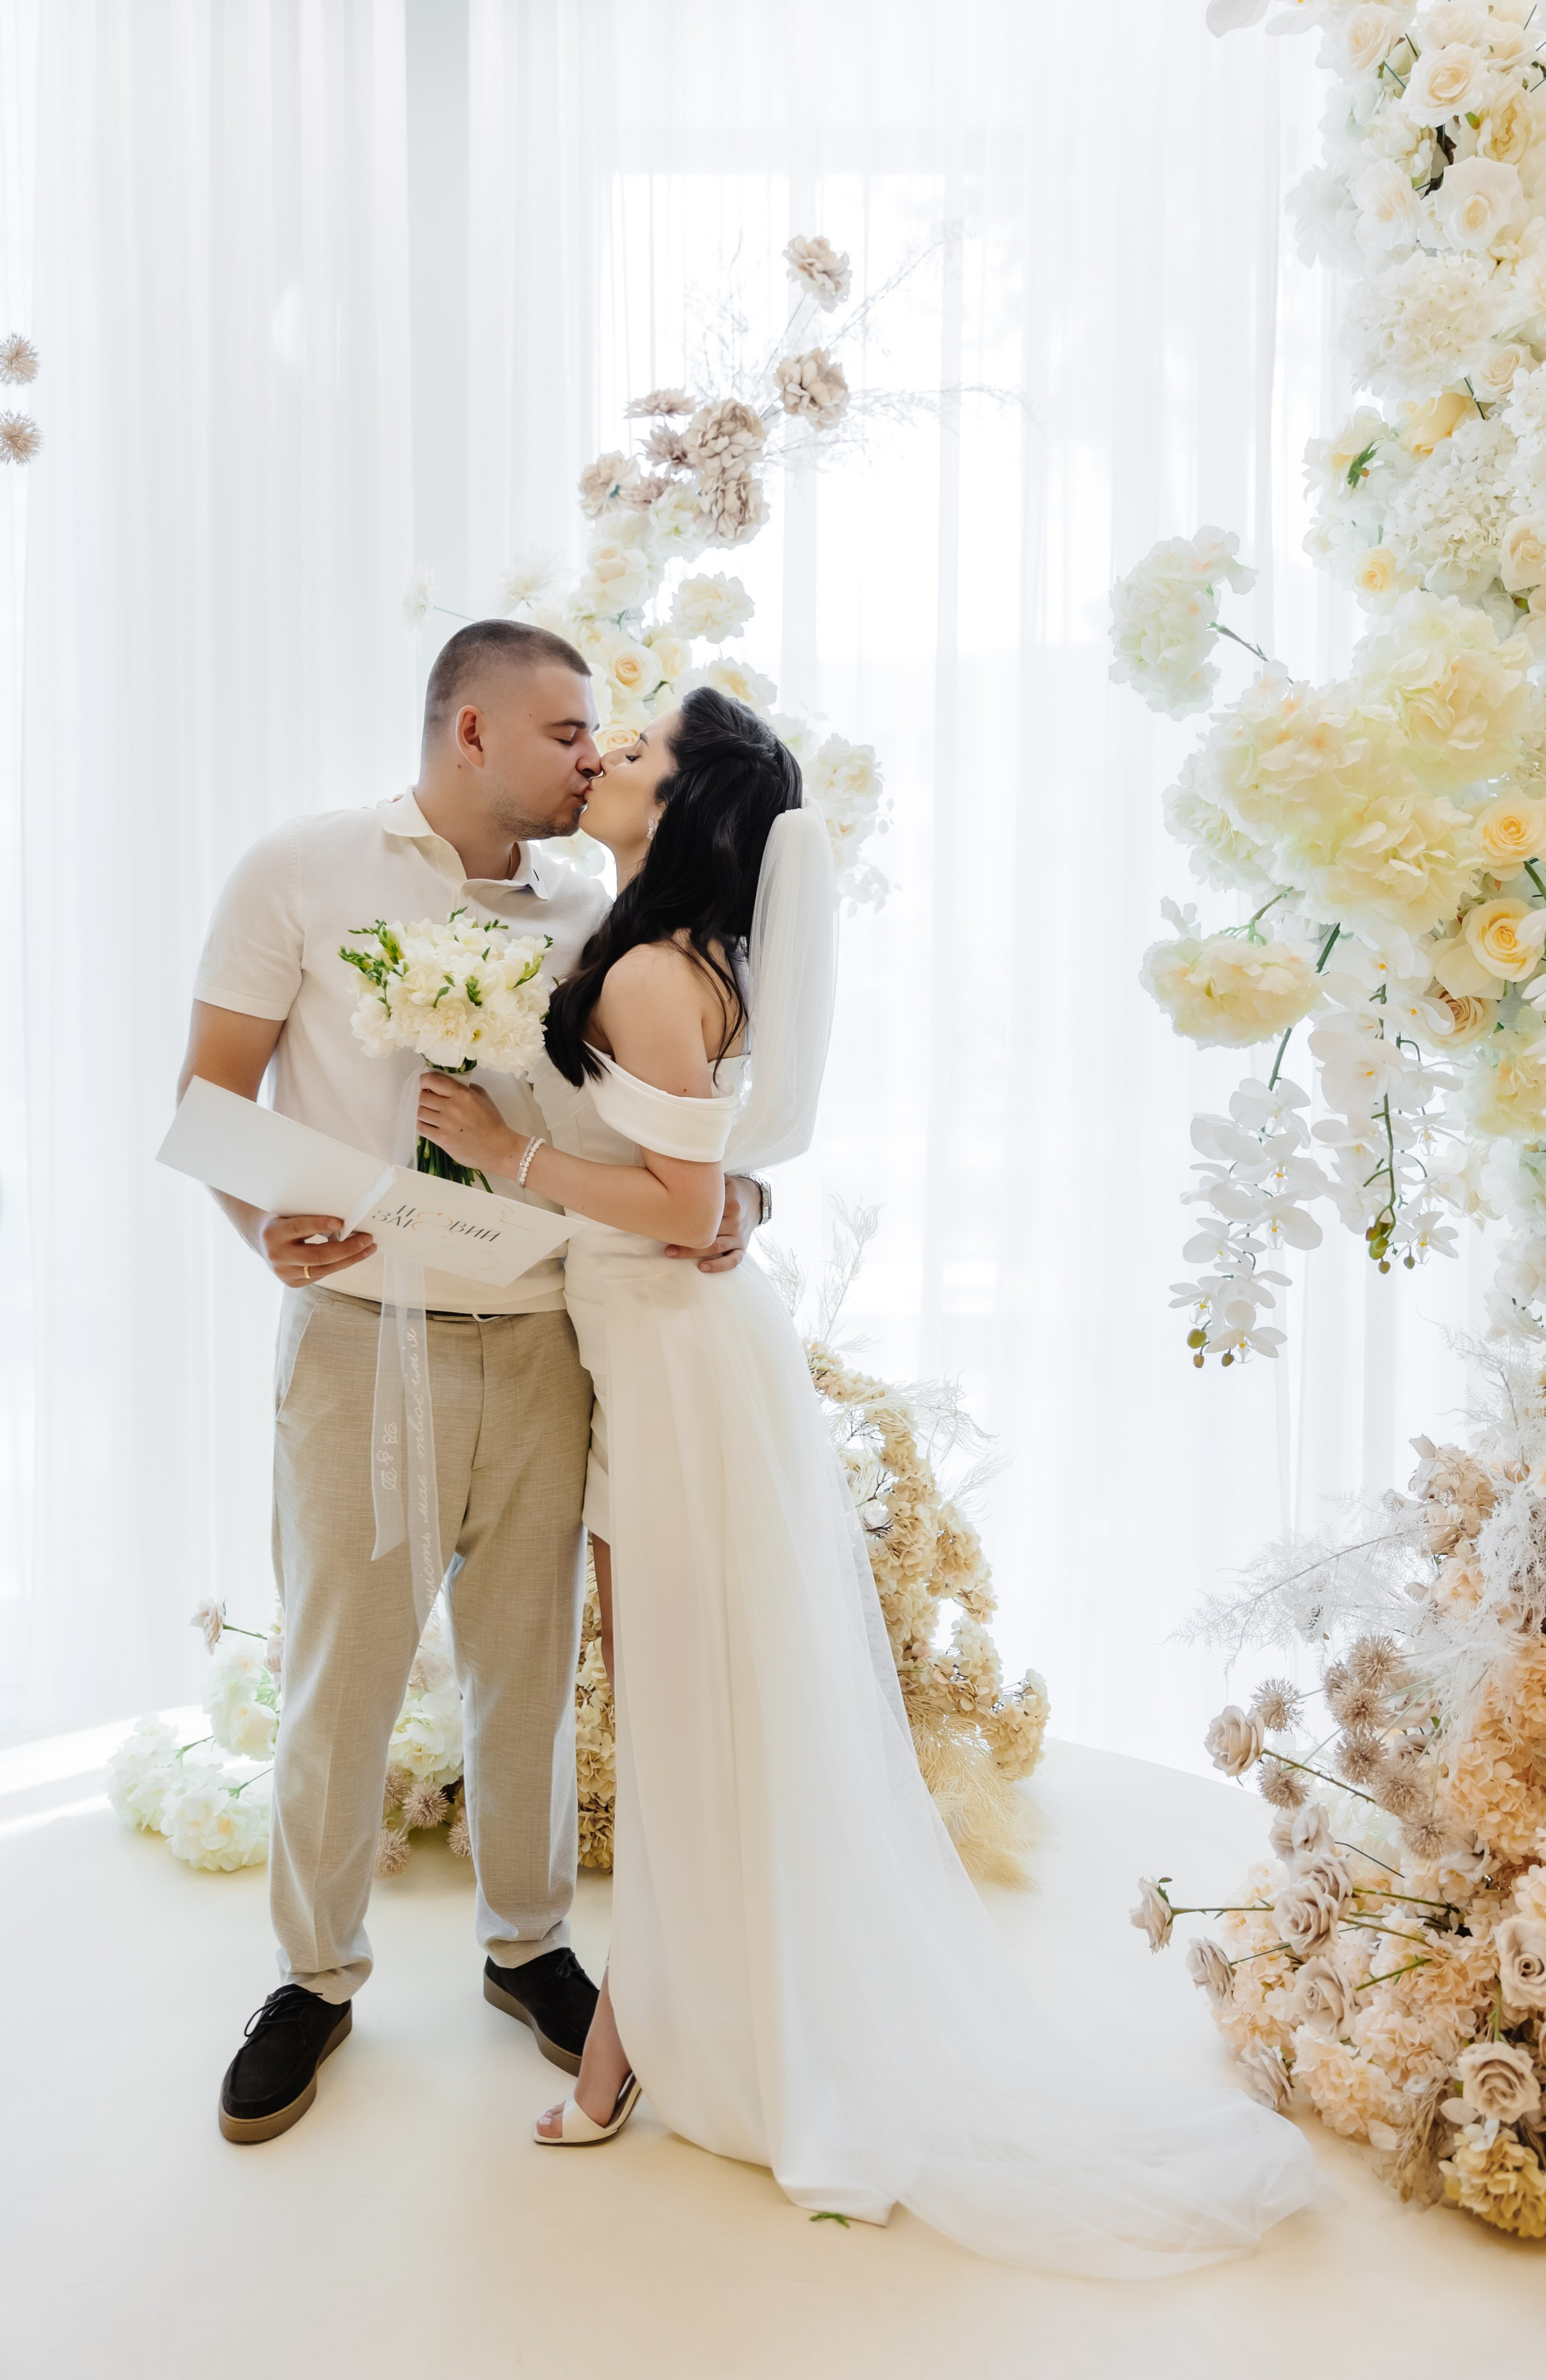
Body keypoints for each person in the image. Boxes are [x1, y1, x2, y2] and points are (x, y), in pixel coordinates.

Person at [413, 686, 1317, 2278]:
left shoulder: (642, 969)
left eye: (636, 748)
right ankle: (651, 2022)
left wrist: (506, 1156)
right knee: (687, 1708)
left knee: (683, 1707)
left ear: (686, 807)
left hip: (680, 1369)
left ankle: (645, 2042)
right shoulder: (670, 951)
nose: (606, 753)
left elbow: (683, 1194)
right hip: (665, 1349)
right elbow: (708, 1188)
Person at [177, 623, 766, 2144]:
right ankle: (313, 1972)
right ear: (469, 733)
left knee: (531, 1675)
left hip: (552, 1335)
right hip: (360, 1333)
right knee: (342, 1675)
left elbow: (676, 1115)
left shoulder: (597, 906)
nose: (592, 756)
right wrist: (263, 1229)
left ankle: (529, 1946)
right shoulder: (300, 869)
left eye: (604, 739)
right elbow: (209, 1092)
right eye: (569, 730)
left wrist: (736, 1203)